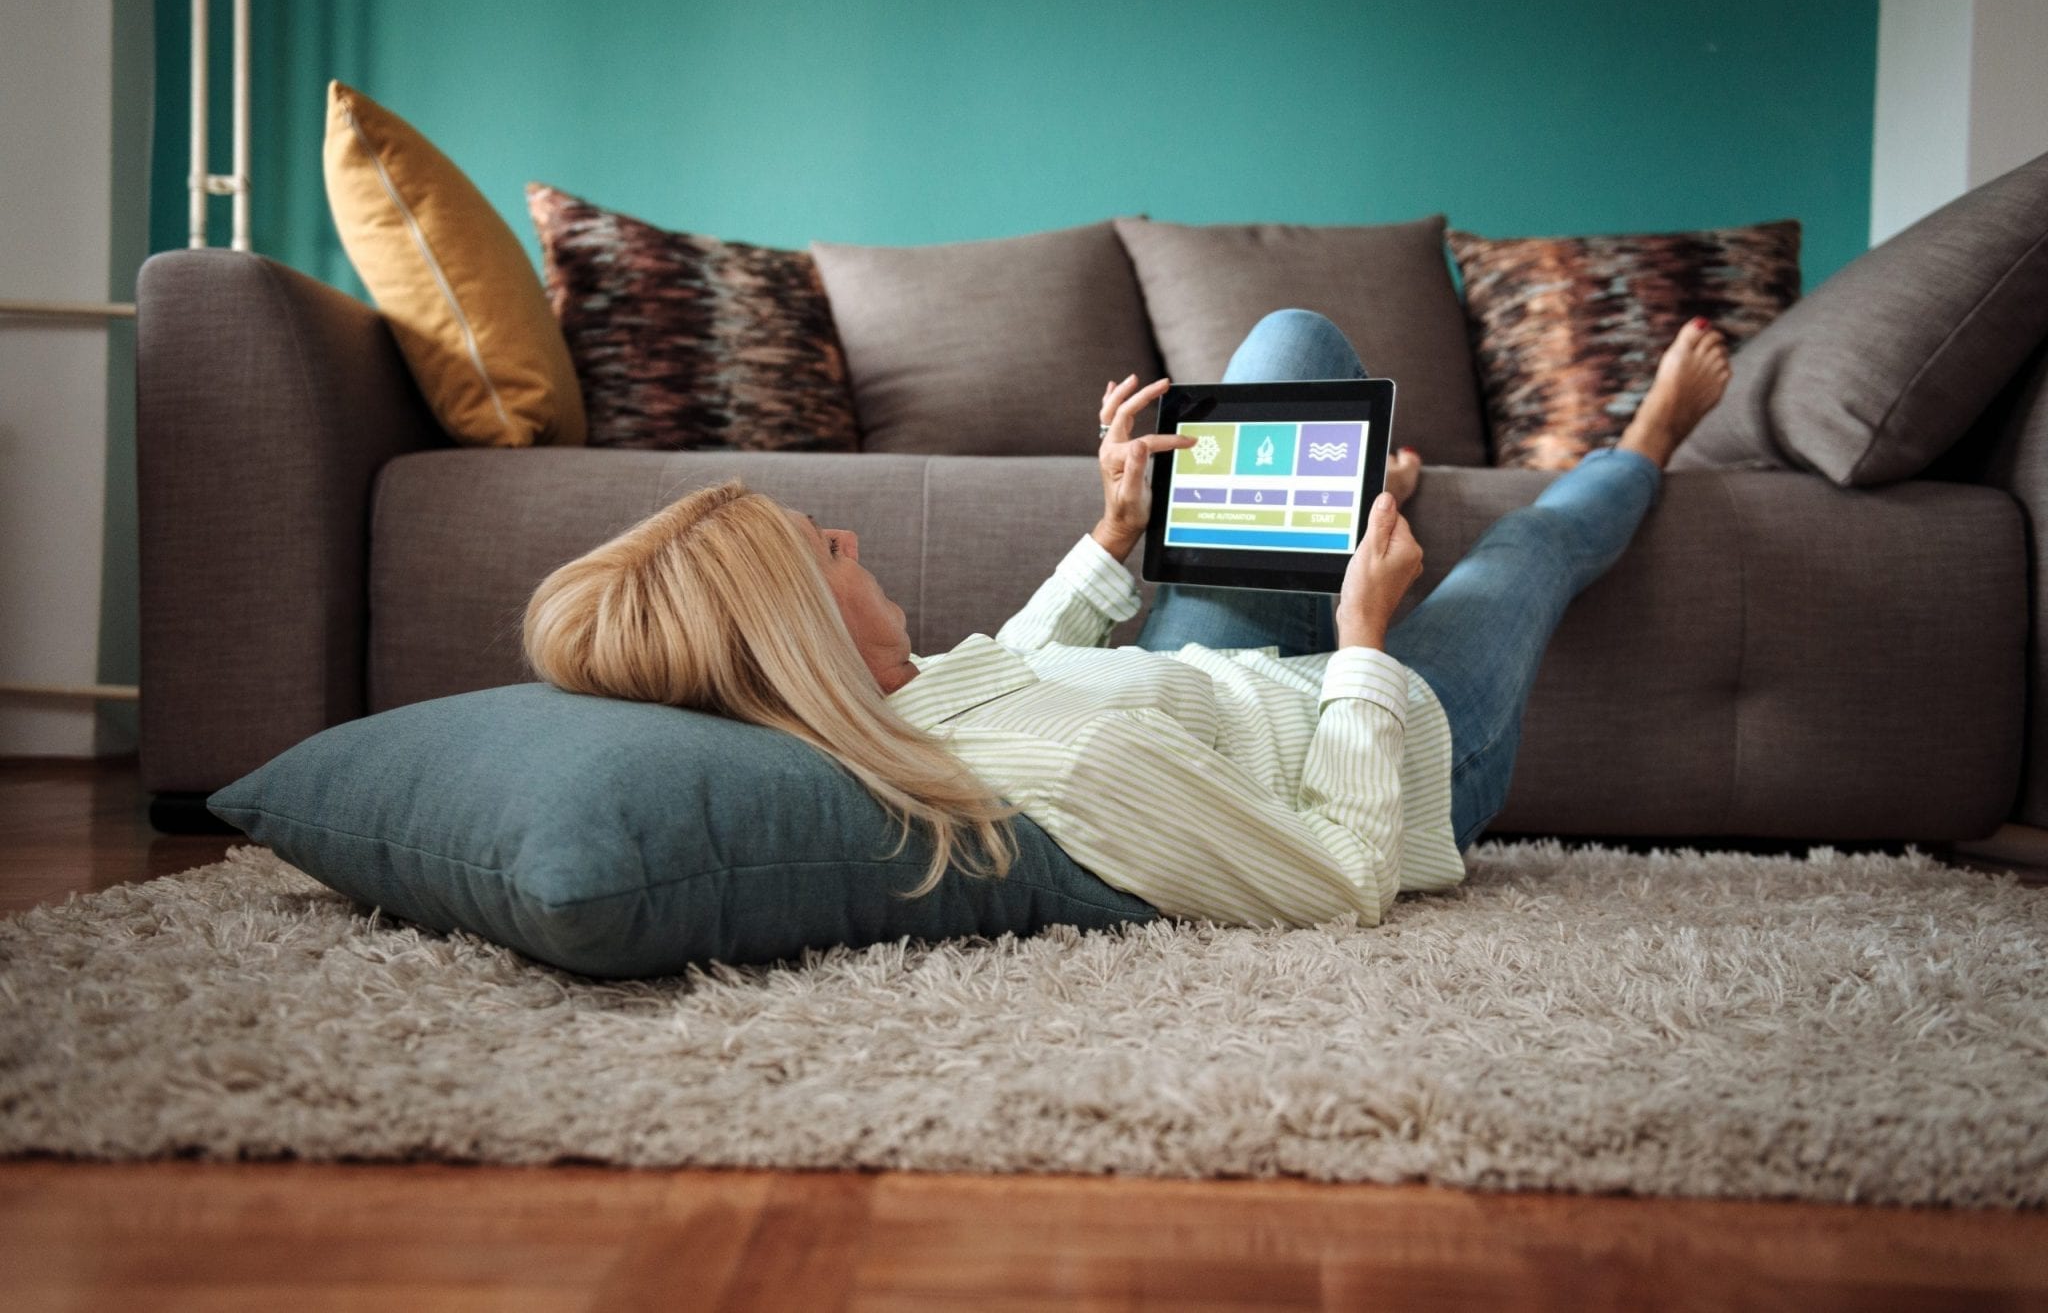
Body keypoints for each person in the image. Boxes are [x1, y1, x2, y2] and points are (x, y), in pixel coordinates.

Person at [524, 310, 1730, 926]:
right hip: (1390, 747)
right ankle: (1644, 444)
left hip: (1213, 676)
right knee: (1526, 548)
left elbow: (1016, 667)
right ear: (798, 634)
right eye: (815, 552)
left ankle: (1352, 504)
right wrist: (1364, 639)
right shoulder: (1081, 770)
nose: (843, 534)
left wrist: (1115, 528)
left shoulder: (903, 695)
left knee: (1291, 344)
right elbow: (1341, 874)